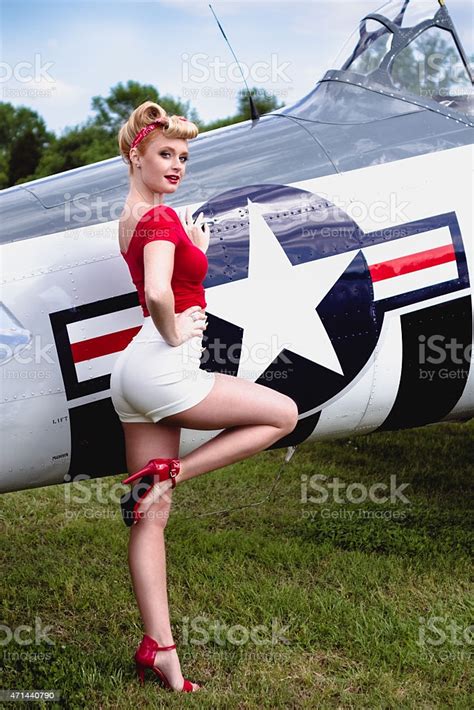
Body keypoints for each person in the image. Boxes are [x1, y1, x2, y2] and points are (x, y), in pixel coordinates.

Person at [110, 100, 299, 693]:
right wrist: (173, 326)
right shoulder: (161, 222)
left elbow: (159, 275)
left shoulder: (136, 216)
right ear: (135, 154)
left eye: (184, 157)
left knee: (149, 517)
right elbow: (161, 293)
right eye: (165, 153)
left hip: (130, 379)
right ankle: (177, 472)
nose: (177, 165)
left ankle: (160, 649)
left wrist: (191, 249)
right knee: (282, 414)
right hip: (163, 367)